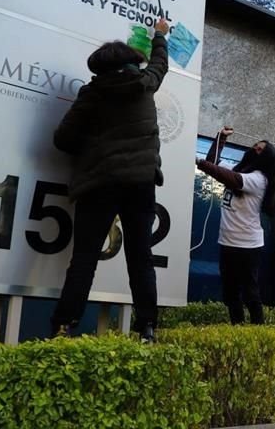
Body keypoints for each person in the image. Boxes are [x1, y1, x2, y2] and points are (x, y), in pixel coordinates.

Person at [50, 18, 170, 343]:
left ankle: (65, 326)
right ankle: (147, 328)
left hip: (98, 183)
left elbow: (62, 139)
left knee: (85, 257)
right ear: (131, 61)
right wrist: (160, 35)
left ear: (100, 68)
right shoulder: (146, 83)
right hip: (140, 182)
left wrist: (92, 146)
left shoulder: (92, 94)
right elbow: (160, 64)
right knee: (140, 257)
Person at [196, 127, 275, 324]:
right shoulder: (239, 170)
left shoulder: (260, 179)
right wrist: (221, 138)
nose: (254, 149)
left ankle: (258, 330)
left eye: (260, 150)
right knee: (230, 293)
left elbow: (231, 179)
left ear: (266, 159)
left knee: (250, 293)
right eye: (255, 146)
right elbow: (214, 163)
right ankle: (237, 328)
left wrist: (200, 164)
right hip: (227, 242)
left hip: (248, 246)